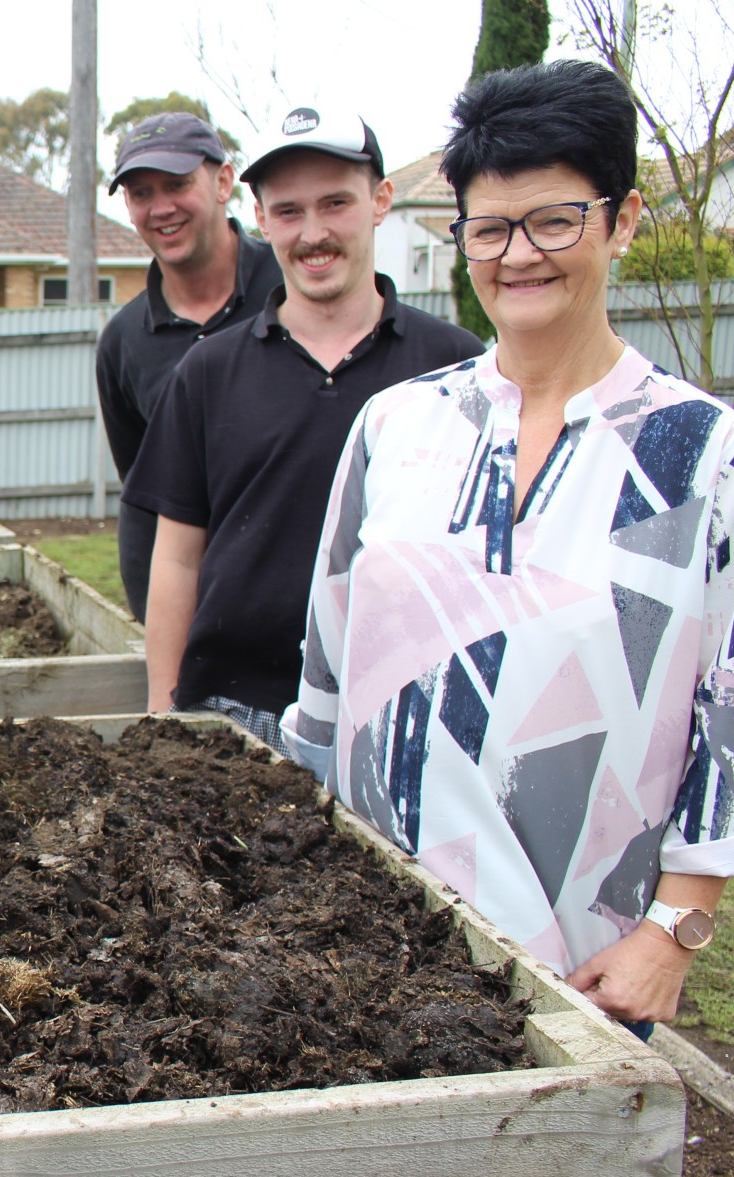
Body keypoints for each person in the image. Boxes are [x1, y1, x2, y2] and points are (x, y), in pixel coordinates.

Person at [284, 61, 734, 1028]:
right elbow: (325, 667)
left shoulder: (704, 455)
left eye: (555, 221)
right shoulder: (395, 426)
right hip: (366, 944)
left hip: (577, 971)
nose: (519, 256)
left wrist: (674, 931)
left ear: (621, 220)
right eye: (489, 229)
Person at [124, 106, 483, 745]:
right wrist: (163, 721)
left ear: (381, 201)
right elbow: (177, 559)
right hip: (236, 714)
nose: (313, 233)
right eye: (289, 211)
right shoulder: (208, 372)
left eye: (336, 204)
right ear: (261, 218)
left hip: (401, 715)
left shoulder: (454, 367)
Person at [95, 112, 284, 620]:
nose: (161, 208)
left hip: (310, 602)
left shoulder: (292, 290)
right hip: (200, 615)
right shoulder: (123, 343)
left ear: (224, 181)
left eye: (177, 185)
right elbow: (146, 494)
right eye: (140, 193)